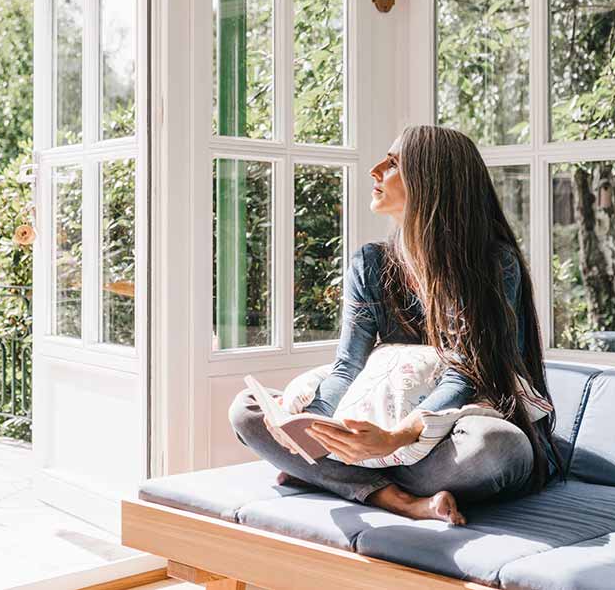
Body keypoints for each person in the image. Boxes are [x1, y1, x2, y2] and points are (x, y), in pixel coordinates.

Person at [229, 125, 565, 526]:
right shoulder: (370, 263)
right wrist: (316, 427)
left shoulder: (493, 263)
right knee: (248, 411)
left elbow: (466, 375)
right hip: (386, 439)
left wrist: (395, 438)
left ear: (431, 181)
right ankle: (397, 499)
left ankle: (342, 478)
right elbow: (347, 367)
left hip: (443, 431)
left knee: (496, 448)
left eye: (393, 163)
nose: (375, 170)